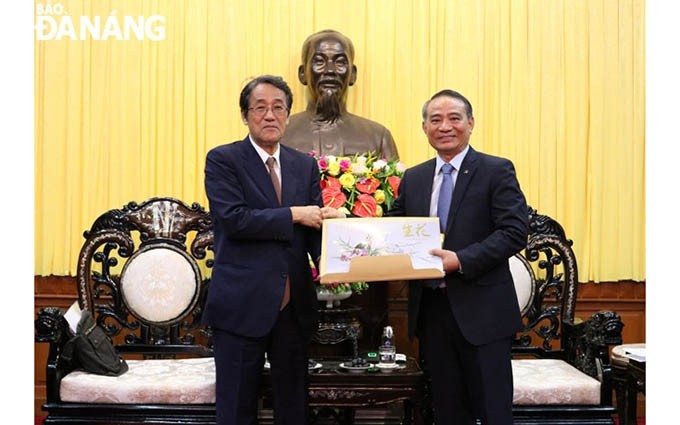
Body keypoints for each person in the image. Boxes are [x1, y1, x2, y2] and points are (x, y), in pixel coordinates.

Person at [203, 75, 339, 425]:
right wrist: (294, 214)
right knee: (236, 408)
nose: (269, 115)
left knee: (293, 407)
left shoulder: (303, 164)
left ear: (288, 115)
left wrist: (330, 259)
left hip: (293, 307)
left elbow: (312, 228)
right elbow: (235, 220)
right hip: (241, 303)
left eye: (278, 107)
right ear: (245, 115)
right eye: (260, 108)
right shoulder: (223, 160)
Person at [387, 89, 528, 425]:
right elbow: (393, 225)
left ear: (471, 123)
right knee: (447, 412)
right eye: (435, 119)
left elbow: (513, 233)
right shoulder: (415, 177)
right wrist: (347, 229)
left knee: (493, 412)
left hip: (484, 313)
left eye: (454, 118)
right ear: (424, 127)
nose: (445, 126)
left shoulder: (496, 170)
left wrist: (460, 260)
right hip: (432, 313)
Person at [281, 29, 399, 160]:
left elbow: (394, 179)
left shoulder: (377, 137)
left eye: (340, 62)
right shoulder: (281, 134)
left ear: (352, 75)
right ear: (302, 73)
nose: (330, 70)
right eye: (320, 62)